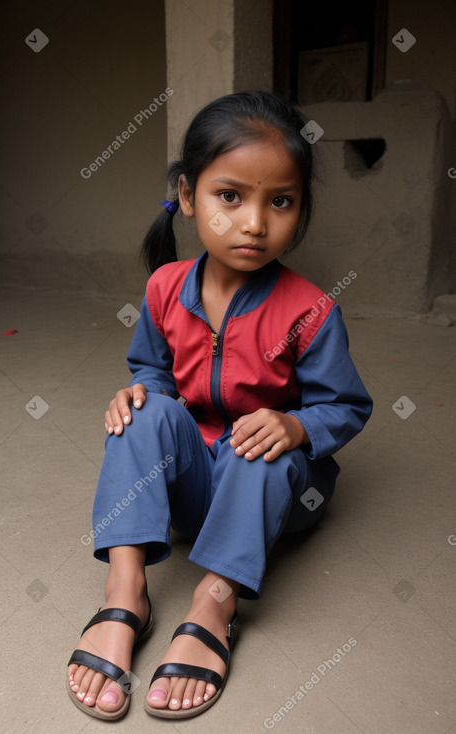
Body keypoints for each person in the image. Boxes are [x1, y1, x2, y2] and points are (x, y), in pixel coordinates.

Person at [66, 89, 373, 721]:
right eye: (230, 196)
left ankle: (214, 599)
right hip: (190, 487)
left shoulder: (310, 310)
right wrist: (138, 391)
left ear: (301, 209)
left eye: (280, 201)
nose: (255, 222)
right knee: (142, 410)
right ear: (186, 196)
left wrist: (293, 424)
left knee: (257, 443)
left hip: (273, 488)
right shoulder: (163, 288)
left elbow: (345, 405)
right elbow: (151, 366)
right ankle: (126, 594)